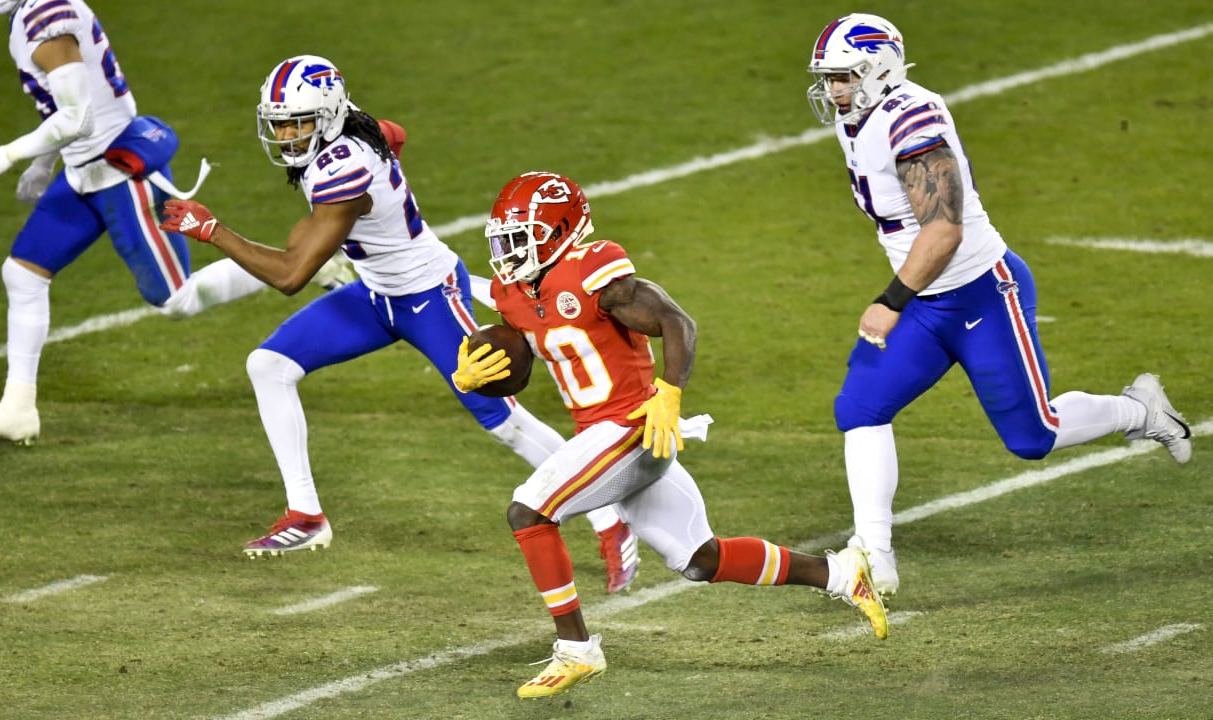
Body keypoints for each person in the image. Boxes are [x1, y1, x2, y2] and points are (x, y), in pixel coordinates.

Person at [159, 56, 639, 591]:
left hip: (429, 295)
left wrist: (213, 230)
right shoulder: (353, 126)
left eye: (297, 121)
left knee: (505, 422)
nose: (287, 134)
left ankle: (610, 520)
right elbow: (395, 133)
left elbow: (292, 273)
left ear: (328, 114)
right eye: (280, 122)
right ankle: (306, 515)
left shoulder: (343, 168)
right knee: (268, 365)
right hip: (376, 292)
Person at [452, 171, 888, 698]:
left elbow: (678, 323)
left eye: (521, 235)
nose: (509, 249)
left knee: (529, 511)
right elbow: (519, 364)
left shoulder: (594, 270)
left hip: (635, 425)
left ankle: (576, 650)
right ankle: (842, 573)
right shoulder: (513, 293)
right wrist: (480, 378)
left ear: (560, 229)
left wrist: (669, 391)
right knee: (700, 559)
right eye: (505, 237)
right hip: (603, 434)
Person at [804, 13, 1193, 598]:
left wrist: (890, 302)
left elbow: (944, 230)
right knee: (860, 404)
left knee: (1033, 436)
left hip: (982, 293)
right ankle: (874, 557)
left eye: (843, 77)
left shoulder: (910, 117)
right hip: (927, 303)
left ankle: (1142, 410)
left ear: (879, 68)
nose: (834, 90)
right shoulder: (859, 120)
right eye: (828, 78)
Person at [0, 0, 272, 446]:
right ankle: (17, 409)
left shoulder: (44, 20)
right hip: (84, 171)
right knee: (22, 274)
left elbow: (77, 117)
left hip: (120, 172)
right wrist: (45, 165)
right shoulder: (35, 11)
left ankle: (297, 265)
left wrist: (9, 154)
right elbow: (70, 104)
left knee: (178, 299)